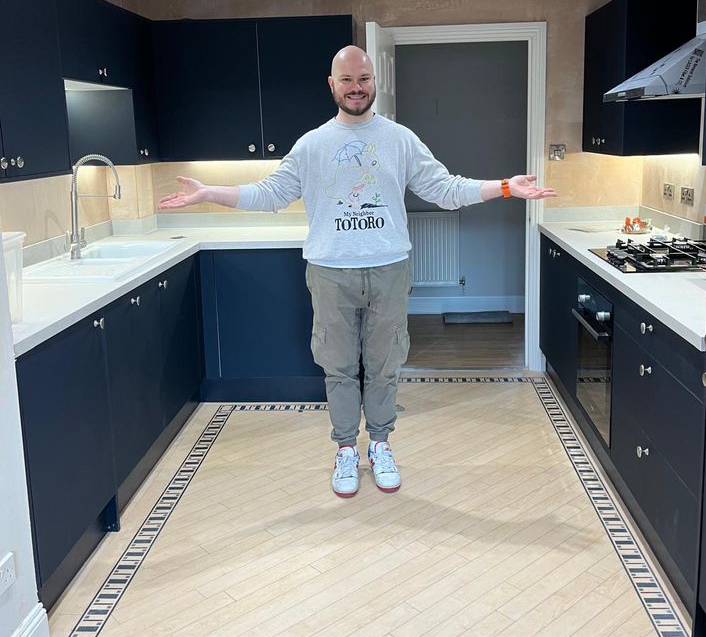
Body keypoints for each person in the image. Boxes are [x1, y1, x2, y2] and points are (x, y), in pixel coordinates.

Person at [158, 45, 557, 498]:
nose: (355, 88)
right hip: (330, 272)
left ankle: (381, 444)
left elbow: (445, 189)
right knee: (339, 367)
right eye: (346, 80)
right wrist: (208, 191)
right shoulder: (311, 145)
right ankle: (346, 450)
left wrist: (504, 187)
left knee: (386, 366)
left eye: (363, 78)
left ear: (374, 82)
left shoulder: (400, 139)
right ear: (332, 85)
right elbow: (269, 194)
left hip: (389, 268)